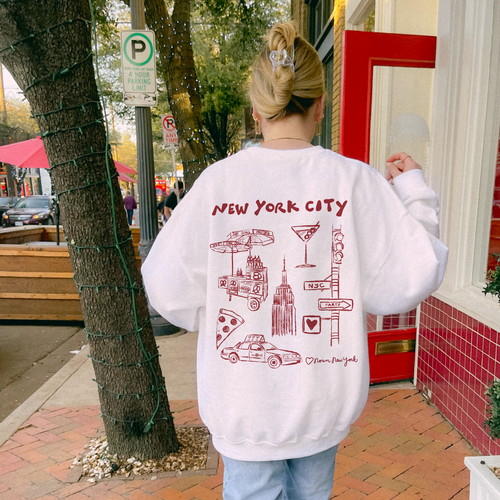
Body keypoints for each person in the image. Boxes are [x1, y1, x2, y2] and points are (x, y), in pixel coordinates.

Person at [142, 22, 448, 500]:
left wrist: (213, 308)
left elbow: (165, 284)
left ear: (257, 109)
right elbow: (414, 270)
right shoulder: (354, 181)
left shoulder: (218, 184)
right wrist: (414, 195)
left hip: (243, 403)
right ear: (321, 105)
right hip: (322, 399)